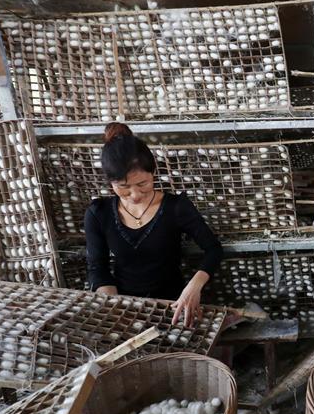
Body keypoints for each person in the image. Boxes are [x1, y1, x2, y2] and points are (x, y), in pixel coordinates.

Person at [84, 123, 224, 327]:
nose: (135, 195)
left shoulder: (176, 207)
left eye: (143, 184)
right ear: (110, 182)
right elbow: (98, 268)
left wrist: (194, 287)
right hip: (126, 307)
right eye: (123, 188)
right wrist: (114, 307)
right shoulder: (98, 214)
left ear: (153, 173)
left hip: (173, 306)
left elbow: (213, 250)